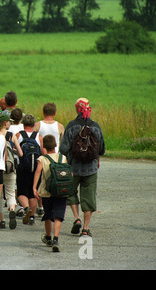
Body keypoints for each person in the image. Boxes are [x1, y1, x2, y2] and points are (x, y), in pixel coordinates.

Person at [59, 98, 105, 237]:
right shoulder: (96, 126)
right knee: (89, 197)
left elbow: (63, 148)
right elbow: (101, 150)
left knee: (70, 192)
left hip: (73, 168)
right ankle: (85, 228)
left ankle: (76, 218)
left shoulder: (72, 126)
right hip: (91, 169)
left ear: (76, 109)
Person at [33, 134, 69, 252]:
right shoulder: (62, 157)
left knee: (48, 214)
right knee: (58, 216)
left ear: (43, 146)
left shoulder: (42, 159)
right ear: (55, 145)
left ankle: (48, 237)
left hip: (46, 192)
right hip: (61, 191)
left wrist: (34, 187)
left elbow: (38, 173)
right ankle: (56, 239)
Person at [15, 114, 46, 225]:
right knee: (33, 193)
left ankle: (26, 207)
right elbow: (44, 153)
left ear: (23, 124)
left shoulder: (18, 135)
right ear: (33, 125)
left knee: (22, 192)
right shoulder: (38, 136)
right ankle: (32, 216)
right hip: (35, 168)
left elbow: (14, 150)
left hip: (22, 168)